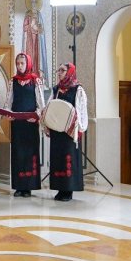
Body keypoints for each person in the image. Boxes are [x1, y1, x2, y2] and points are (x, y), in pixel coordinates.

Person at [47, 63, 88, 201]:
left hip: (70, 133)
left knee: (68, 160)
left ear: (70, 72)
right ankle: (60, 189)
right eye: (58, 70)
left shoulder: (78, 89)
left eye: (63, 70)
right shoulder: (56, 89)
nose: (59, 73)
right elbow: (50, 107)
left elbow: (81, 110)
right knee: (58, 160)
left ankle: (68, 190)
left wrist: (80, 128)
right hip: (57, 131)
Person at [8, 53, 45, 197]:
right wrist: (8, 113)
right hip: (17, 123)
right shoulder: (13, 81)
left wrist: (36, 116)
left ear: (28, 64)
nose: (19, 66)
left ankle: (28, 187)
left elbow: (41, 103)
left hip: (30, 123)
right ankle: (18, 186)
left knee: (29, 153)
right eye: (17, 63)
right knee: (18, 153)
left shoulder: (35, 80)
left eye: (22, 63)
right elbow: (9, 101)